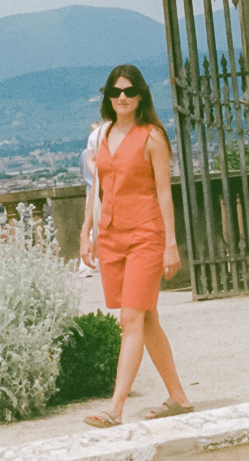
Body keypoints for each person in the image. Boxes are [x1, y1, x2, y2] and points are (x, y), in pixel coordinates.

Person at [78, 64, 191, 427]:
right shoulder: (103, 136)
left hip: (145, 234)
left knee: (130, 319)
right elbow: (97, 188)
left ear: (140, 94)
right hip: (110, 235)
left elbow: (164, 193)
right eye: (115, 92)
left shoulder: (152, 137)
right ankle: (179, 397)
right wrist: (87, 230)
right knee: (146, 317)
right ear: (107, 97)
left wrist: (170, 244)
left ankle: (115, 408)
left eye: (128, 91)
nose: (122, 98)